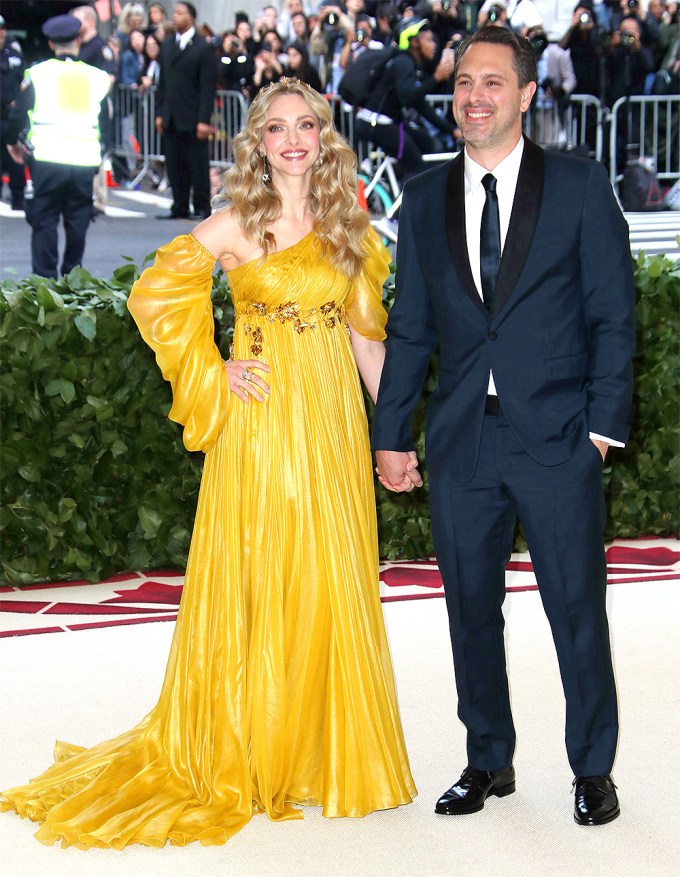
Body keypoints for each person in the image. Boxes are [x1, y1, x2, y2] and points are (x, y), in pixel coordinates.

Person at [0, 77, 416, 848]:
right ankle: (253, 746)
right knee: (264, 570)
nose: (293, 139)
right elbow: (155, 295)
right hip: (259, 420)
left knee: (331, 569)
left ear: (324, 137)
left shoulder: (348, 222)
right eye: (277, 128)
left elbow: (367, 340)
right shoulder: (235, 224)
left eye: (307, 126)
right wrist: (211, 369)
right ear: (257, 141)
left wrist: (394, 436)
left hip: (329, 418)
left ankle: (318, 750)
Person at [372, 26, 635, 826]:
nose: (473, 97)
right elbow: (410, 325)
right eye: (461, 84)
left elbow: (613, 317)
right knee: (469, 609)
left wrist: (602, 428)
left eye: (491, 82)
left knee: (575, 608)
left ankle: (592, 767)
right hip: (463, 441)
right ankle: (489, 757)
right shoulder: (422, 199)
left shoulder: (583, 187)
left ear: (526, 94)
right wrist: (392, 433)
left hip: (559, 436)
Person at [4, 15, 111, 278]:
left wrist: (12, 143)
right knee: (78, 223)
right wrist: (101, 152)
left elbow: (18, 115)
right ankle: (73, 277)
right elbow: (105, 123)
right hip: (84, 159)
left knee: (45, 221)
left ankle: (45, 281)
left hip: (47, 158)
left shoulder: (38, 74)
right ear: (78, 40)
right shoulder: (96, 77)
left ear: (51, 44)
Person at [354, 18, 456, 180]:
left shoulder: (407, 63)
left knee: (426, 143)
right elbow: (407, 97)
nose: (434, 44)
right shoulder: (404, 61)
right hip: (377, 123)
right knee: (417, 167)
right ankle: (406, 204)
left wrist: (452, 130)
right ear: (414, 42)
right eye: (428, 40)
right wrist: (436, 78)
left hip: (385, 122)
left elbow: (419, 104)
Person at [155, 2, 216, 220]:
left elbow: (207, 87)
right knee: (174, 163)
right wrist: (160, 112)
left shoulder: (203, 47)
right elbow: (162, 82)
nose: (174, 16)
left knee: (197, 164)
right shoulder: (168, 44)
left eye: (180, 13)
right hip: (171, 114)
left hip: (192, 116)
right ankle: (179, 205)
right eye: (174, 12)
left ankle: (202, 206)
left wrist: (203, 119)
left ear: (191, 18)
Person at [0, 14, 25, 211]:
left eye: (2, 29)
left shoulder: (14, 54)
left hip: (10, 116)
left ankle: (18, 197)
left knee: (15, 158)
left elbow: (22, 80)